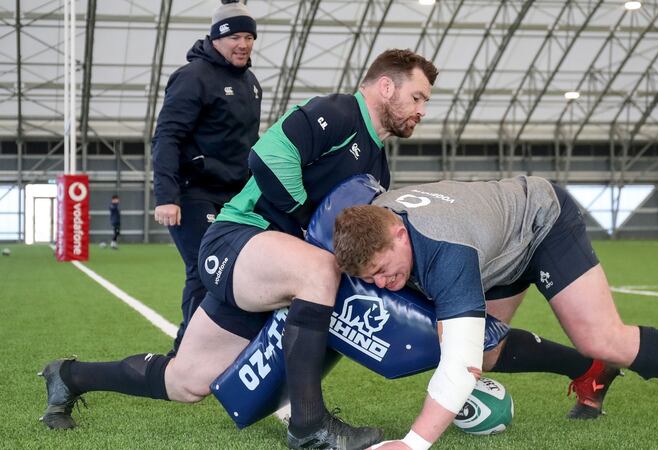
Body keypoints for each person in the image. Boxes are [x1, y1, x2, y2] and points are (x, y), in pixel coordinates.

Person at [39, 48, 439, 450]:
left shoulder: (378, 166)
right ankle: (308, 426)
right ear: (386, 87)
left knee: (186, 380)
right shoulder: (338, 112)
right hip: (237, 240)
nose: (422, 110)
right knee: (320, 269)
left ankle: (68, 376)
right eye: (418, 97)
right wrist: (305, 221)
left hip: (272, 269)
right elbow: (267, 157)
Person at [333, 176, 658, 449]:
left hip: (542, 224)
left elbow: (458, 366)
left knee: (605, 338)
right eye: (370, 278)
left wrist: (412, 444)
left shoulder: (444, 252)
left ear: (397, 234)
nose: (382, 284)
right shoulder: (379, 219)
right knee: (490, 349)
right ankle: (590, 371)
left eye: (383, 271)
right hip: (495, 247)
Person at [151, 0, 262, 355]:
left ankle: (224, 347)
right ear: (216, 38)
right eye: (235, 37)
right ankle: (186, 354)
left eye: (249, 37)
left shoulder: (251, 82)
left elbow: (248, 143)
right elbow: (167, 137)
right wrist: (166, 196)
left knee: (240, 271)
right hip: (193, 193)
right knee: (205, 269)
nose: (243, 44)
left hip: (235, 196)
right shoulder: (192, 77)